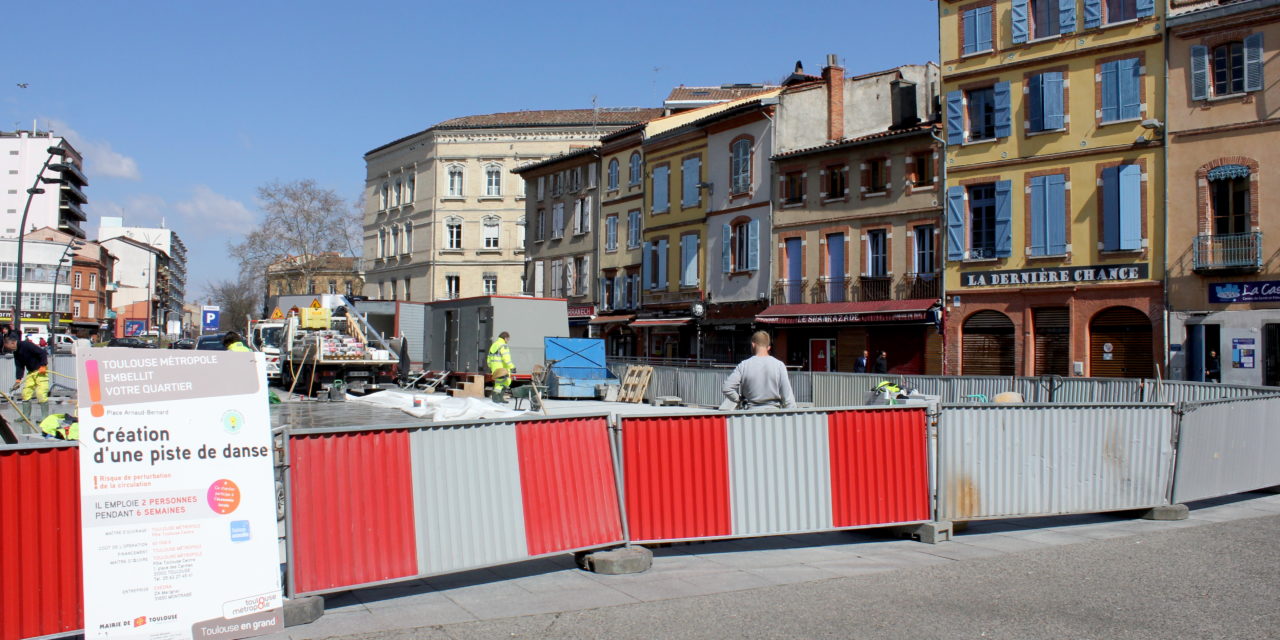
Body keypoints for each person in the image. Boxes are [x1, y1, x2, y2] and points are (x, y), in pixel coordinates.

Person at [722, 331, 795, 409]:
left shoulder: (743, 365)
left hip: (750, 415)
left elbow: (726, 388)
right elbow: (788, 398)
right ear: (768, 347)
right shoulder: (779, 365)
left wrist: (739, 400)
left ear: (753, 345)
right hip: (774, 415)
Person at [5, 334, 49, 420]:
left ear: (13, 343)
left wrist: (43, 365)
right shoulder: (16, 352)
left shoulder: (26, 345)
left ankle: (45, 417)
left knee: (41, 393)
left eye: (9, 348)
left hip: (41, 370)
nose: (9, 350)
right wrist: (18, 380)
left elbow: (42, 353)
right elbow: (19, 366)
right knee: (25, 393)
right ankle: (25, 416)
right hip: (31, 372)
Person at [487, 331, 515, 399]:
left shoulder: (494, 344)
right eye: (508, 339)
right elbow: (506, 358)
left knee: (499, 383)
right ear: (505, 338)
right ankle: (497, 397)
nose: (508, 341)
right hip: (502, 368)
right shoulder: (503, 345)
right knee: (507, 381)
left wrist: (490, 366)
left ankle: (498, 397)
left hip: (495, 368)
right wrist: (512, 367)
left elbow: (489, 357)